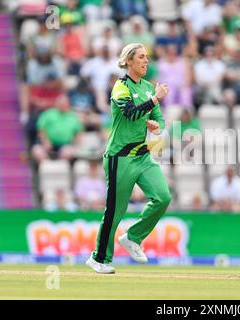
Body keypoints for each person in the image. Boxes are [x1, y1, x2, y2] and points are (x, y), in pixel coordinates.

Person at [86, 43, 171, 274]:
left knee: (163, 197)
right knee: (115, 210)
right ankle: (98, 258)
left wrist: (155, 126)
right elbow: (130, 112)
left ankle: (132, 238)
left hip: (141, 155)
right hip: (119, 157)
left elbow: (159, 120)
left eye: (147, 57)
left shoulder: (147, 86)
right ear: (129, 61)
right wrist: (155, 99)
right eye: (141, 57)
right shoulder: (120, 87)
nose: (146, 61)